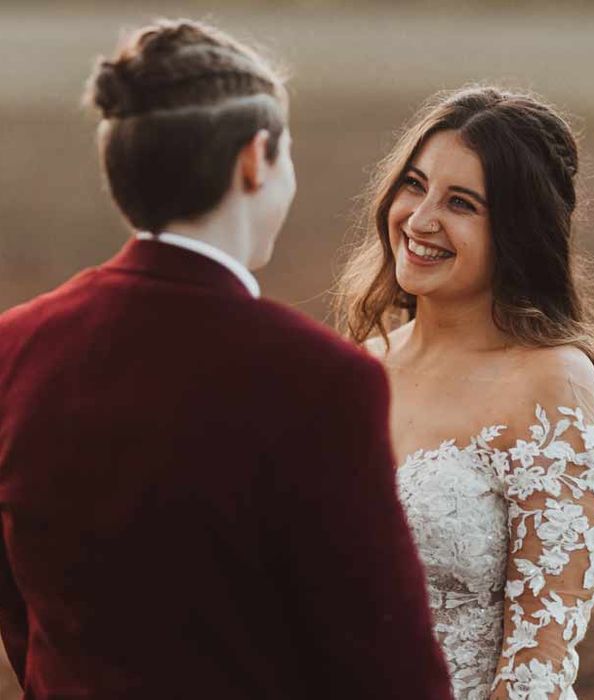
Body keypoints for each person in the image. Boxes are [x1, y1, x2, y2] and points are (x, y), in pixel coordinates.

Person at [0, 19, 452, 700]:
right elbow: (388, 668)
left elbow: (17, 608)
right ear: (254, 159)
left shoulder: (13, 346)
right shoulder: (321, 381)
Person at [335, 86, 594, 699]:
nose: (419, 220)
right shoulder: (358, 370)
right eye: (414, 185)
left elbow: (537, 671)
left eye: (461, 203)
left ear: (519, 232)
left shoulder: (552, 386)